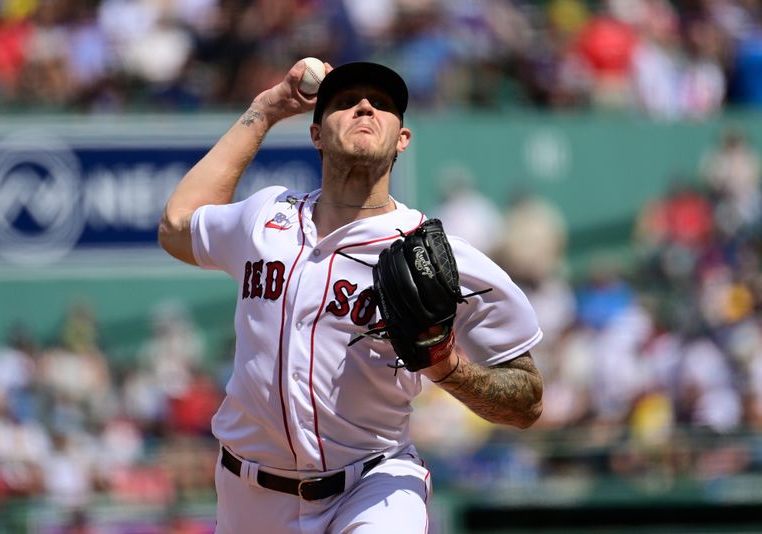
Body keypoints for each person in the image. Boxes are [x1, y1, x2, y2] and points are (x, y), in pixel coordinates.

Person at [158, 59, 544, 533]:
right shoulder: (266, 217)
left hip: (375, 484)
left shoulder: (436, 254)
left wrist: (449, 368)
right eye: (345, 103)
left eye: (381, 105)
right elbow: (177, 226)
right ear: (316, 134)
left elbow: (526, 401)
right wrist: (268, 107)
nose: (364, 107)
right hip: (249, 496)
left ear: (402, 139)